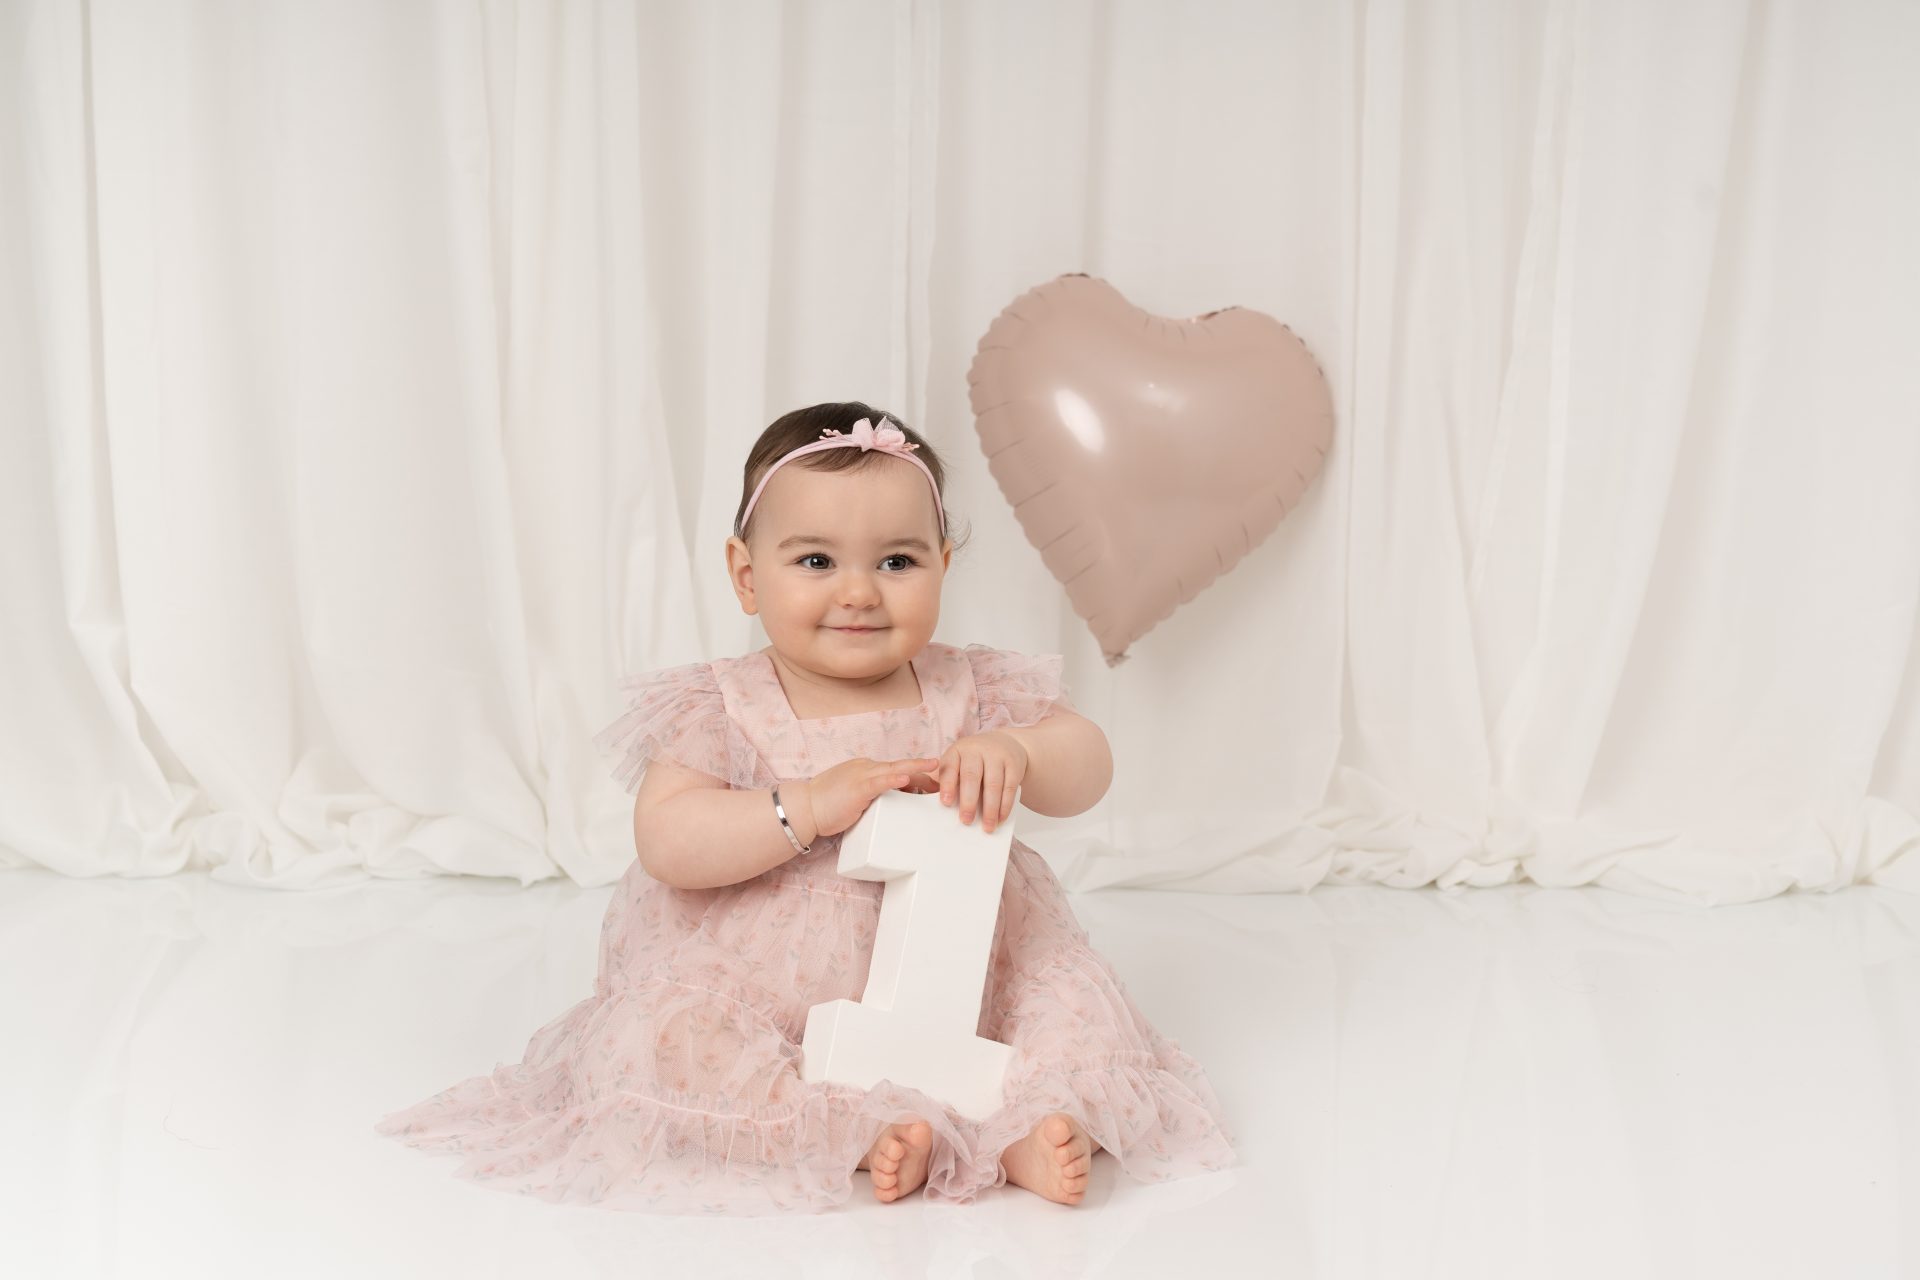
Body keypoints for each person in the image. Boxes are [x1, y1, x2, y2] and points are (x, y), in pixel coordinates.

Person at [374, 402, 1238, 1214]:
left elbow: (1089, 766)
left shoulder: (972, 685)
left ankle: (1029, 1122)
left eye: (897, 562)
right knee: (663, 1036)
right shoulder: (725, 704)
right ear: (747, 576)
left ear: (944, 564)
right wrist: (805, 806)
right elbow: (668, 838)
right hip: (764, 991)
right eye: (816, 561)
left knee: (1070, 1001)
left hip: (970, 973)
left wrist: (1020, 752)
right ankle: (838, 1127)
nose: (859, 592)